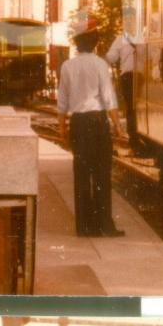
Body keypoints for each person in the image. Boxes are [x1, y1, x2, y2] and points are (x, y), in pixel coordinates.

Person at [56, 18, 124, 237]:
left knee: (81, 174)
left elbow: (62, 100)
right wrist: (117, 126)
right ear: (94, 42)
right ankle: (104, 225)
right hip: (96, 123)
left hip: (78, 123)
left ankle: (85, 227)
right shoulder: (100, 64)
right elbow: (108, 97)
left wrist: (62, 129)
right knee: (102, 174)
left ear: (77, 43)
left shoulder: (67, 66)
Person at [105, 22, 137, 153]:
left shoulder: (121, 39)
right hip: (144, 77)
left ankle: (134, 140)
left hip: (128, 77)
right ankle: (138, 138)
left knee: (130, 108)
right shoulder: (146, 36)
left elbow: (111, 58)